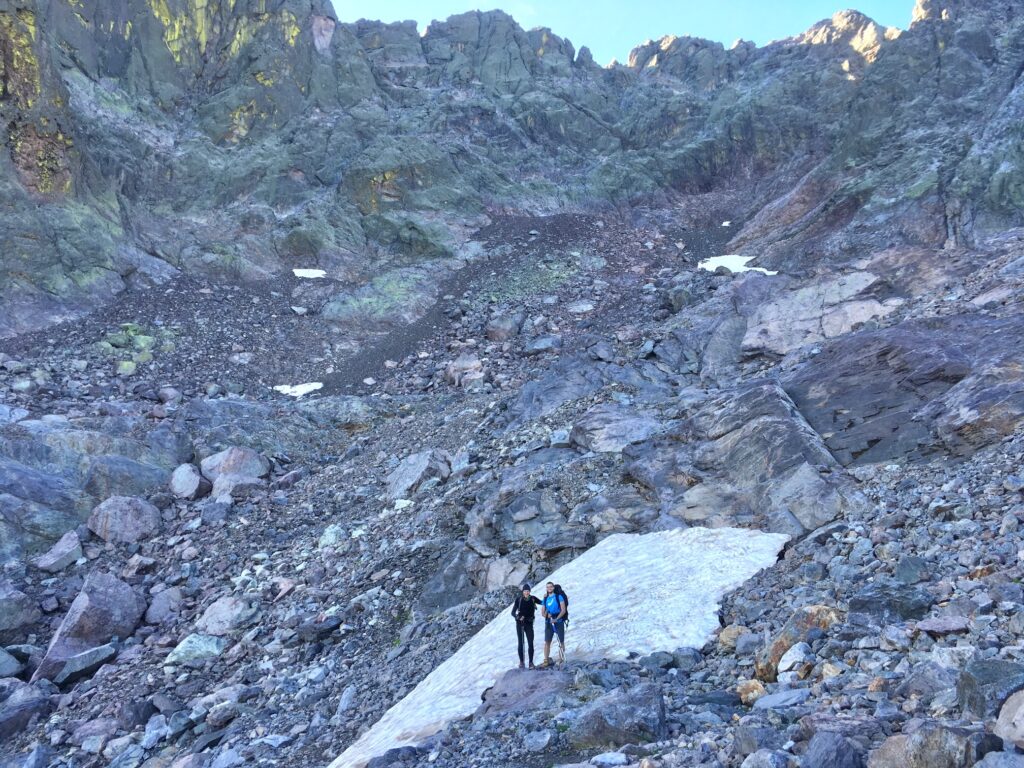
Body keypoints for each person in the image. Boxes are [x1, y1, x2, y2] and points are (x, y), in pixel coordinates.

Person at [511, 583, 542, 669]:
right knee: (521, 643)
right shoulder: (519, 600)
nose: (526, 592)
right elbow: (512, 612)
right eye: (525, 591)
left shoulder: (533, 599)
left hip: (529, 623)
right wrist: (518, 617)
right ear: (523, 591)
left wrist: (548, 598)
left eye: (528, 591)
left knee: (530, 643)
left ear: (530, 591)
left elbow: (542, 602)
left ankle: (531, 663)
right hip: (520, 623)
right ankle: (521, 662)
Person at [541, 581, 568, 667]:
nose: (549, 588)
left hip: (558, 621)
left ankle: (561, 659)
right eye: (547, 587)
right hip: (548, 622)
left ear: (553, 588)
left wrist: (556, 619)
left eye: (550, 587)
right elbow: (542, 613)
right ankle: (546, 659)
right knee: (547, 641)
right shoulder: (545, 598)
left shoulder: (558, 597)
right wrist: (547, 615)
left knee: (561, 641)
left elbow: (563, 610)